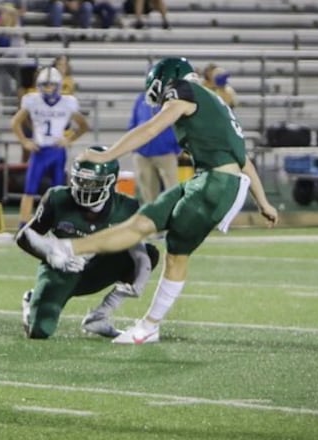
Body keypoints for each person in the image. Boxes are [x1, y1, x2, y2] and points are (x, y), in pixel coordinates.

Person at [26, 57, 279, 344]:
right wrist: (263, 201)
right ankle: (66, 248)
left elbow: (151, 128)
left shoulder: (183, 89)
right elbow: (244, 160)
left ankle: (149, 326)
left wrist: (106, 155)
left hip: (216, 184)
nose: (159, 100)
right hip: (206, 178)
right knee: (140, 223)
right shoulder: (211, 102)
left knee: (175, 254)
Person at [16, 146, 159, 339]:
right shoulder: (57, 198)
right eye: (81, 180)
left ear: (111, 182)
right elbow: (24, 237)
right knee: (39, 332)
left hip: (97, 270)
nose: (85, 187)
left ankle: (99, 317)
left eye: (92, 183)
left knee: (149, 254)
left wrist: (140, 277)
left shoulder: (126, 207)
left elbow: (138, 250)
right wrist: (51, 256)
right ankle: (33, 299)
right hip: (60, 271)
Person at [11, 66, 90, 228]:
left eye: (51, 85)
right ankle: (23, 226)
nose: (48, 89)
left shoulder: (68, 103)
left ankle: (58, 224)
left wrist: (69, 139)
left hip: (57, 151)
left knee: (59, 191)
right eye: (45, 85)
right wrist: (25, 141)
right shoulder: (32, 100)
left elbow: (83, 126)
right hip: (39, 151)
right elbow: (15, 122)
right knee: (29, 190)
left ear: (58, 85)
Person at [129, 90, 181, 204]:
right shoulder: (142, 98)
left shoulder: (172, 99)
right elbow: (134, 122)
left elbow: (179, 124)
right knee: (148, 194)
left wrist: (177, 148)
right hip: (143, 153)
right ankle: (151, 219)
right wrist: (135, 147)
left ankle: (174, 218)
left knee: (173, 191)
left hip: (166, 152)